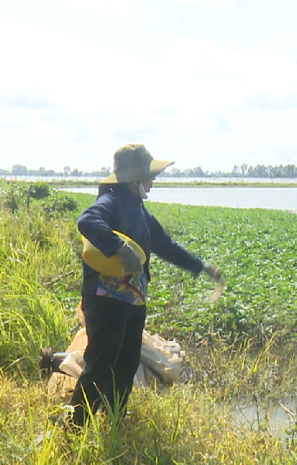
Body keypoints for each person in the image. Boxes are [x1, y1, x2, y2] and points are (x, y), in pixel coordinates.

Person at [70, 143, 222, 426]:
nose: (153, 181)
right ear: (135, 179)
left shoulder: (139, 210)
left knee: (126, 365)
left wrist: (201, 266)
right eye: (149, 176)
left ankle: (115, 424)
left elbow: (165, 245)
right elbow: (87, 220)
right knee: (100, 365)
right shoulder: (111, 201)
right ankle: (74, 429)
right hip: (105, 301)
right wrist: (118, 247)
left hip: (133, 301)